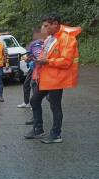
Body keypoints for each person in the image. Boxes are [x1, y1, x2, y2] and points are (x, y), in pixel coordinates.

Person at [24, 12, 81, 143]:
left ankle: (56, 135)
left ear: (55, 24)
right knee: (34, 101)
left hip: (57, 79)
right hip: (46, 78)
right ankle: (38, 129)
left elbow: (66, 61)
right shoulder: (50, 38)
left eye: (46, 26)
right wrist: (35, 58)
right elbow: (45, 56)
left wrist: (47, 62)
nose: (43, 29)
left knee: (55, 106)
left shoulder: (68, 38)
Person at [17, 30, 46, 109]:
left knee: (36, 86)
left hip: (44, 68)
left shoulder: (47, 43)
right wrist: (27, 59)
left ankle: (35, 103)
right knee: (27, 84)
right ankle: (26, 102)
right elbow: (29, 56)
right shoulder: (32, 44)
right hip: (33, 67)